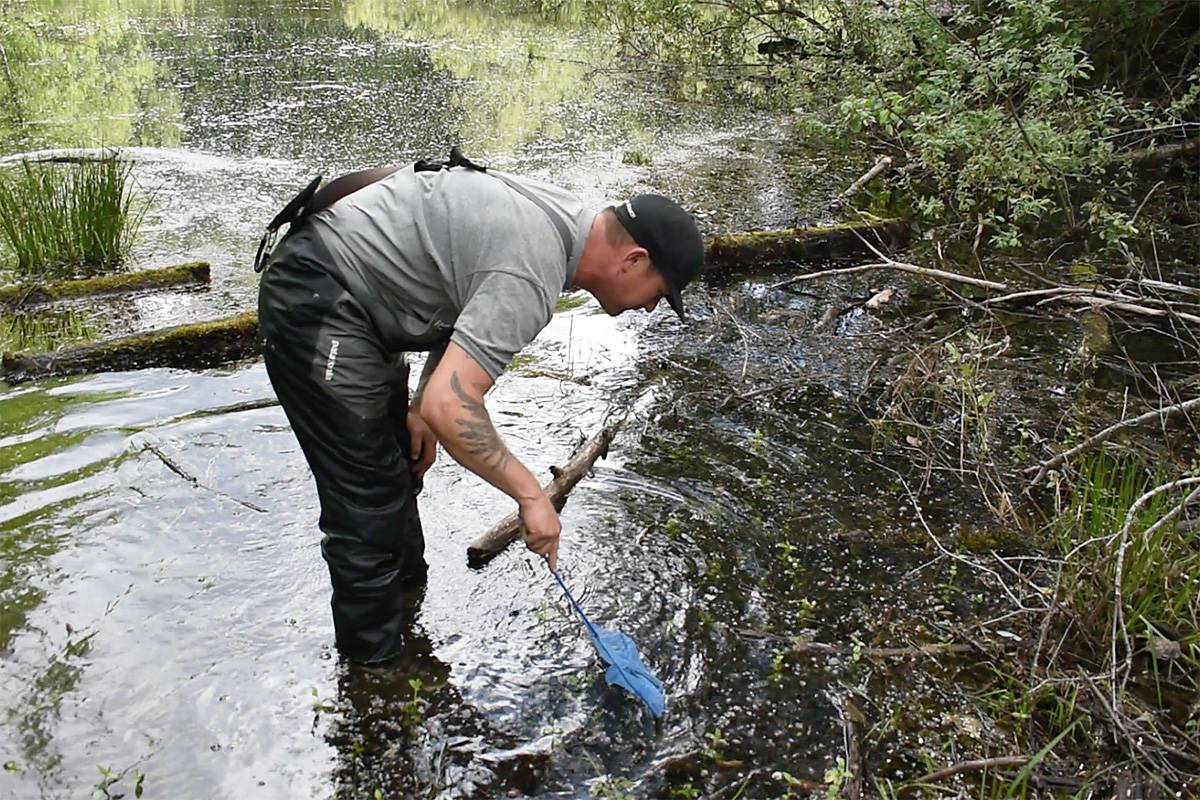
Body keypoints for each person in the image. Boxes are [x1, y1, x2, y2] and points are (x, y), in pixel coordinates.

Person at [256, 149, 704, 665]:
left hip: (363, 292)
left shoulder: (565, 225)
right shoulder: (534, 268)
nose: (650, 306)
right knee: (367, 503)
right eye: (659, 292)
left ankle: (407, 612)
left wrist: (422, 401)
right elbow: (456, 405)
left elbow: (457, 283)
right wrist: (532, 496)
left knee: (397, 465)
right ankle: (375, 681)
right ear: (635, 260)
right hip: (321, 293)